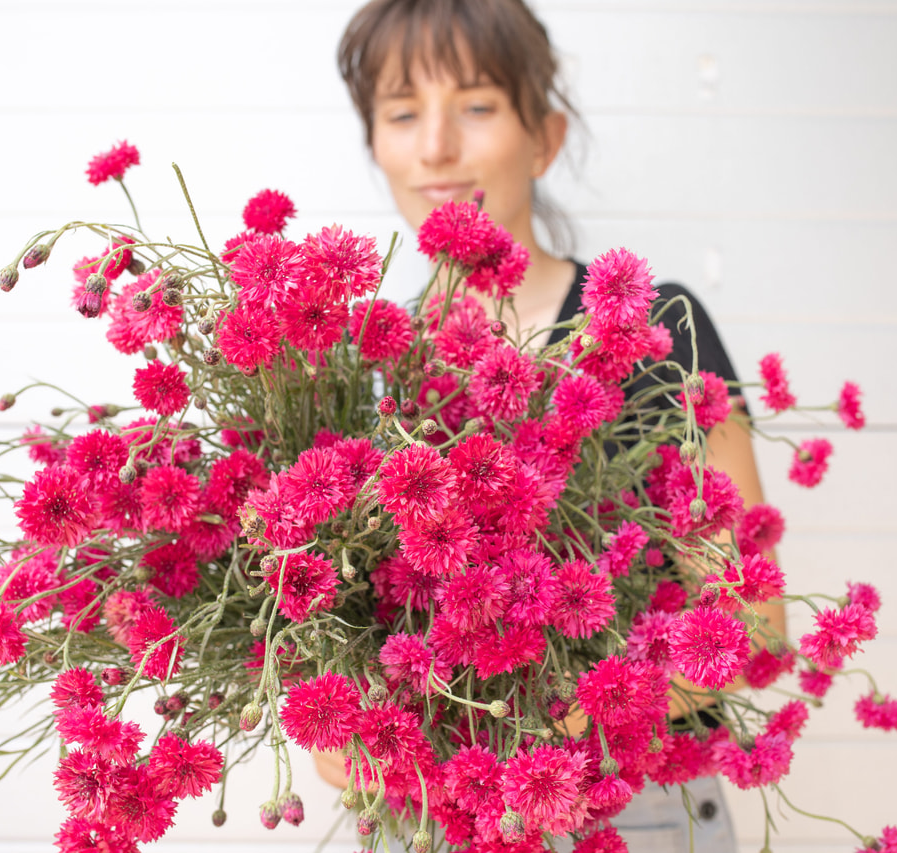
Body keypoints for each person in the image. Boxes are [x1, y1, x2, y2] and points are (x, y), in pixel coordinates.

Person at [318, 0, 787, 849]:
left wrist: (555, 716)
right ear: (375, 142)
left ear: (546, 137)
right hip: (429, 816)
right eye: (402, 113)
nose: (435, 147)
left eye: (476, 105)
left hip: (626, 808)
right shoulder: (359, 367)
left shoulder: (652, 331)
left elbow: (753, 626)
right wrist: (341, 732)